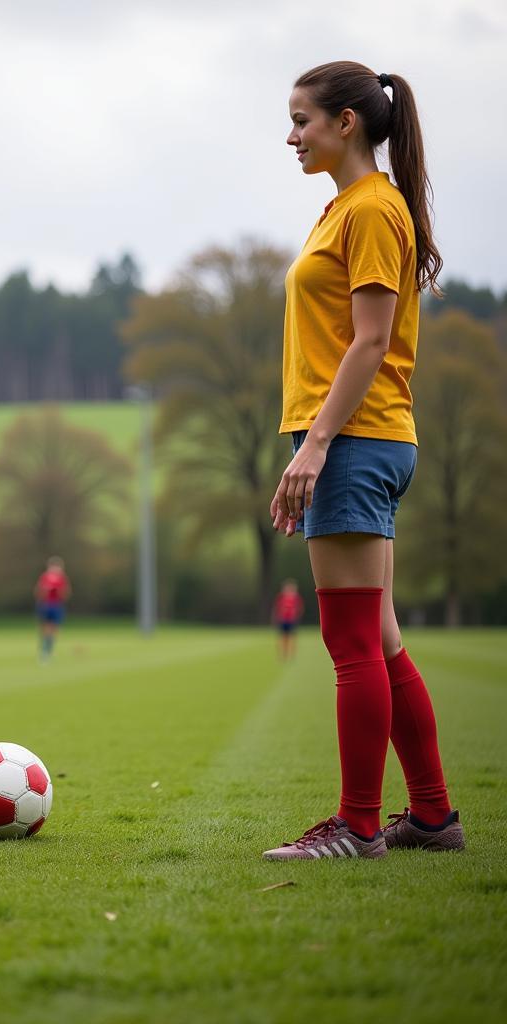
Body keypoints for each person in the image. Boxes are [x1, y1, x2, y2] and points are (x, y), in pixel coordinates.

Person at [264, 62, 463, 861]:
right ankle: (433, 817)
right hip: (358, 438)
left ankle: (354, 826)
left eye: (302, 120)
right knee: (378, 640)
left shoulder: (374, 210)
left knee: (350, 642)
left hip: (354, 440)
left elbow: (372, 343)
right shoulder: (346, 209)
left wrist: (315, 444)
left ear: (347, 122)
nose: (291, 136)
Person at [34, 557, 71, 661]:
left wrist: (59, 591)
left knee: (54, 629)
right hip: (46, 604)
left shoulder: (62, 578)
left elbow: (65, 593)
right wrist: (45, 591)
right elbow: (38, 592)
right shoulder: (44, 577)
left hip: (57, 605)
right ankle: (44, 650)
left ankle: (48, 650)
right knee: (45, 628)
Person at [272, 579, 304, 660]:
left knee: (292, 637)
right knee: (283, 637)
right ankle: (283, 654)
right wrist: (276, 617)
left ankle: (291, 655)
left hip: (291, 620)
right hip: (283, 620)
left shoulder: (296, 597)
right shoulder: (281, 596)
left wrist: (297, 616)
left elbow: (299, 608)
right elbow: (277, 607)